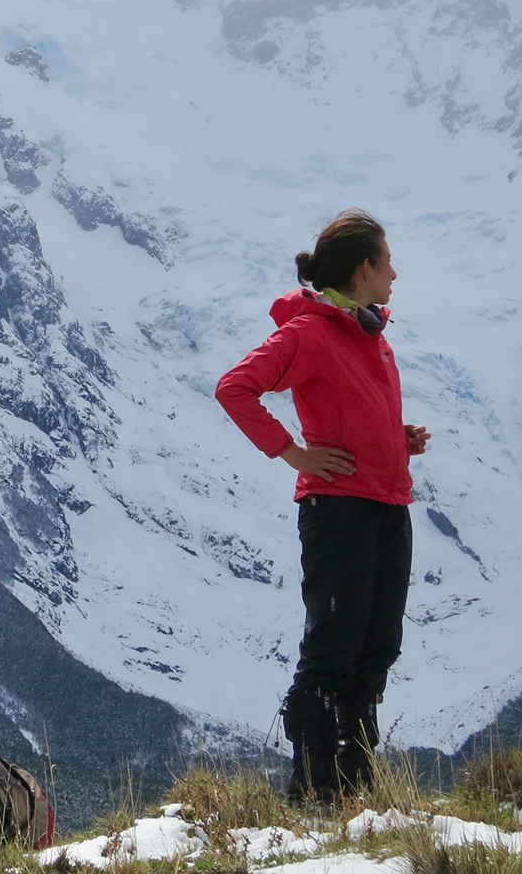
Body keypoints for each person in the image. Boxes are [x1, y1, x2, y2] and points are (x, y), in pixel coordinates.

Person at [214, 209, 431, 802]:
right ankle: (313, 793)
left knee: (377, 649)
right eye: (387, 262)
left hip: (387, 505)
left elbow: (347, 410)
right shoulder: (309, 332)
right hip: (339, 511)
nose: (394, 274)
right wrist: (293, 453)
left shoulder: (369, 334)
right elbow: (235, 388)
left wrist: (396, 438)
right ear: (364, 268)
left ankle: (354, 790)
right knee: (332, 653)